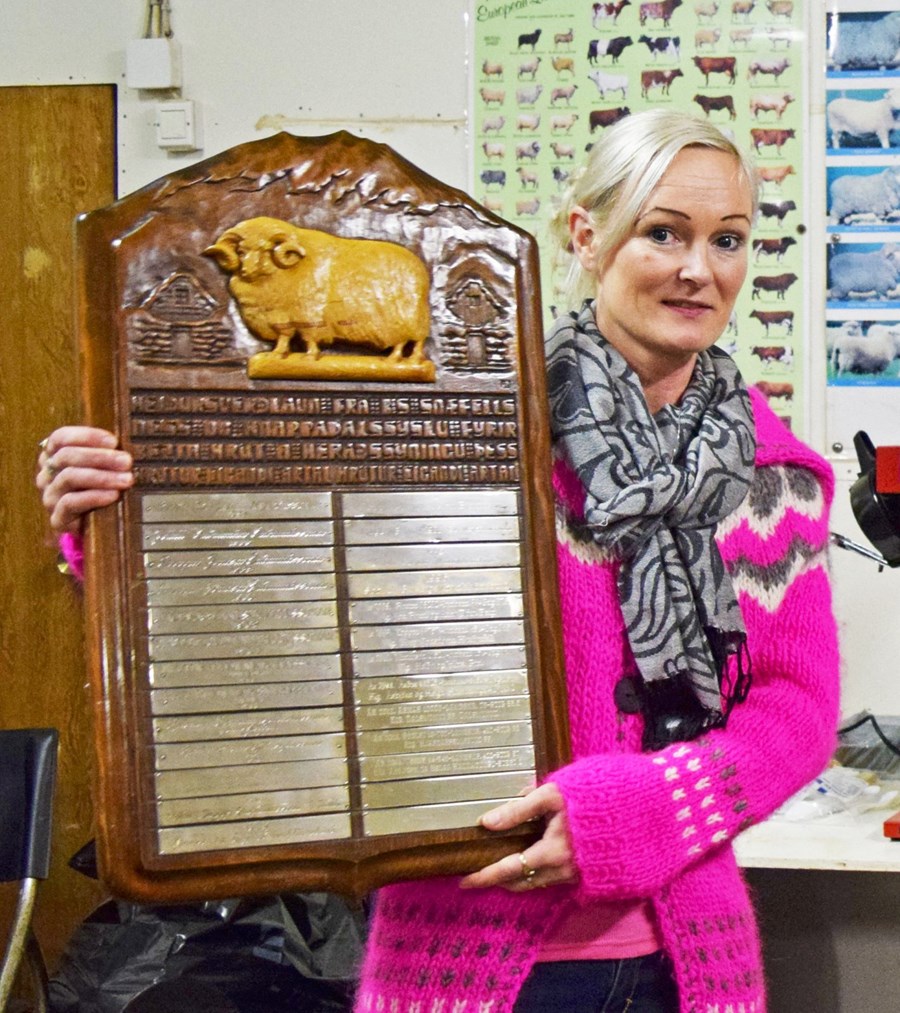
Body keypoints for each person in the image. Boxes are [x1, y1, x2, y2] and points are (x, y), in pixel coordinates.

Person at [37, 109, 840, 1013]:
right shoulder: (453, 427)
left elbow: (795, 709)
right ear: (586, 235)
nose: (700, 269)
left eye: (728, 239)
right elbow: (287, 605)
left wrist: (644, 810)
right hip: (463, 954)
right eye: (663, 231)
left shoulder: (771, 478)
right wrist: (113, 526)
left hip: (684, 963)